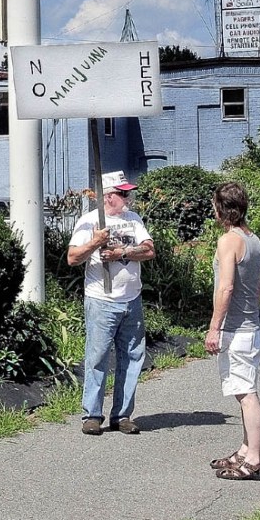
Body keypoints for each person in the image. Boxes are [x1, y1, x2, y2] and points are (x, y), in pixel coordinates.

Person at [67, 171, 155, 436]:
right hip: (101, 300)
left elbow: (149, 250)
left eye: (127, 193)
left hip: (132, 300)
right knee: (98, 357)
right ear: (107, 197)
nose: (127, 198)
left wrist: (123, 252)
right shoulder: (89, 222)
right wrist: (96, 242)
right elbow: (72, 258)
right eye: (122, 193)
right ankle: (92, 415)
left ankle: (122, 414)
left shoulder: (133, 220)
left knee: (132, 357)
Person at [205, 182, 260, 480]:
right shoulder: (252, 239)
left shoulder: (228, 241)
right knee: (244, 390)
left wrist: (214, 328)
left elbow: (226, 286)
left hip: (236, 330)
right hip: (251, 326)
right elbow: (257, 286)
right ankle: (245, 448)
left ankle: (254, 458)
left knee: (246, 394)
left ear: (221, 209)